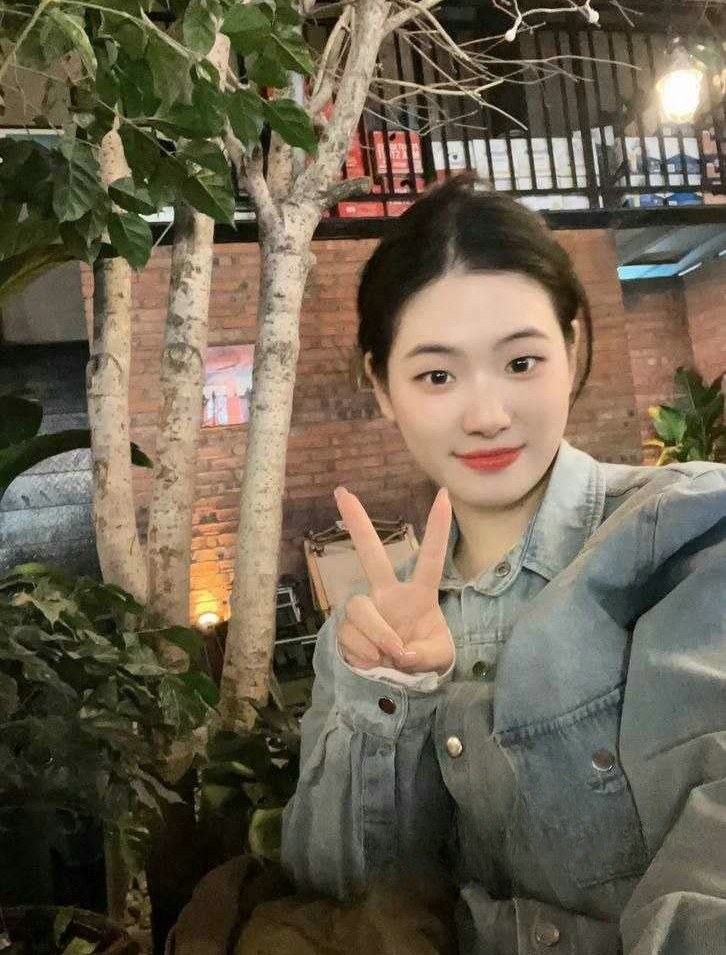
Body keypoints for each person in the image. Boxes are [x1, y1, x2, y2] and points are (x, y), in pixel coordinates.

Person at [281, 178, 726, 954]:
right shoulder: (368, 632)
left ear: (572, 349)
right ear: (381, 386)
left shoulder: (683, 536)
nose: (487, 415)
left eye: (521, 362)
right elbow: (340, 890)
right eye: (437, 375)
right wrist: (387, 692)